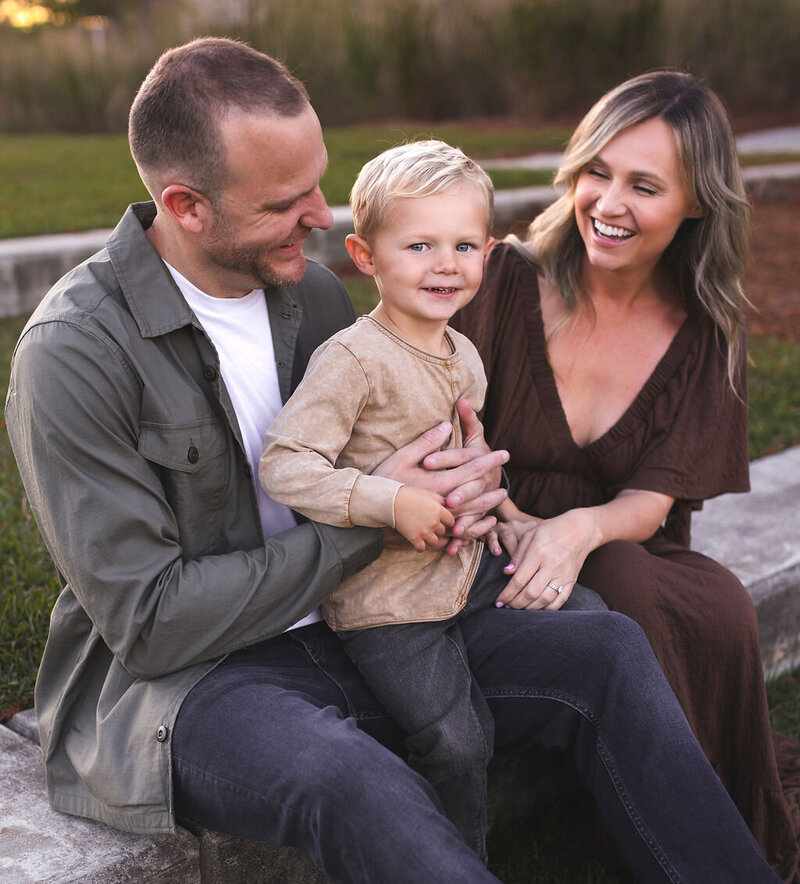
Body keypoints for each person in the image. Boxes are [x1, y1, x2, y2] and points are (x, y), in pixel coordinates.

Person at [3, 38, 779, 883]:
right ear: (187, 205)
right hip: (199, 684)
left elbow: (406, 439)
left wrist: (472, 489)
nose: (324, 217)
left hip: (370, 619)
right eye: (287, 201)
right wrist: (386, 514)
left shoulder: (310, 291)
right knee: (356, 781)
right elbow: (151, 625)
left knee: (609, 651)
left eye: (319, 182)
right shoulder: (75, 351)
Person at [452, 69, 800, 881]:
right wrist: (503, 509)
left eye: (643, 185)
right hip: (479, 546)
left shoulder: (703, 333)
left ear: (698, 204)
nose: (607, 203)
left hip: (625, 552)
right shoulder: (500, 281)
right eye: (596, 173)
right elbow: (436, 419)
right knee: (623, 583)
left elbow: (653, 499)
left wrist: (579, 528)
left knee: (667, 590)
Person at [259, 140, 599, 860]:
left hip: (463, 569)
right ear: (365, 255)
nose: (446, 264)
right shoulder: (353, 360)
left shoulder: (462, 354)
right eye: (420, 244)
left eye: (464, 245)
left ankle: (575, 776)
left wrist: (505, 514)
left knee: (591, 618)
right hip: (388, 602)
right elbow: (285, 466)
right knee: (456, 738)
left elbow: (465, 457)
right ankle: (454, 861)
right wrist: (389, 501)